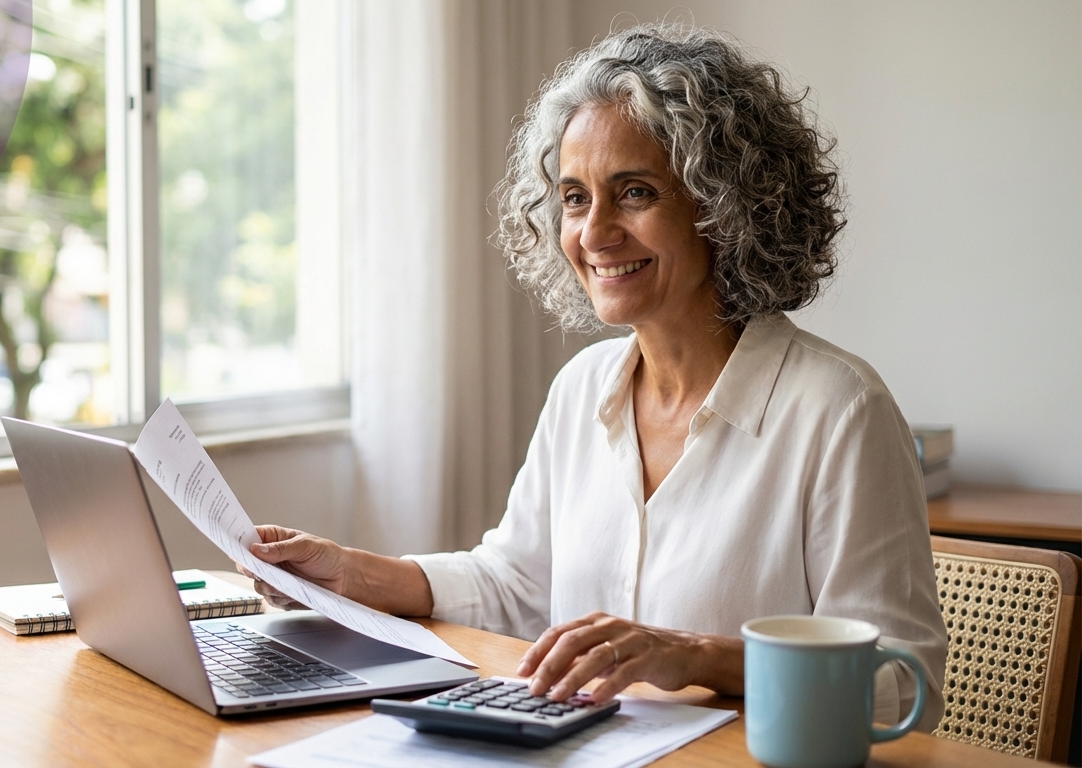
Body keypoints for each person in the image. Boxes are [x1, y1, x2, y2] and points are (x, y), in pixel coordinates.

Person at [240, 22, 947, 729]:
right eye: (575, 198)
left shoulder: (840, 409)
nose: (595, 232)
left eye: (634, 192)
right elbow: (514, 584)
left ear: (724, 204)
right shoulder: (582, 387)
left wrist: (695, 656)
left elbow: (899, 681)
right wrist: (350, 574)